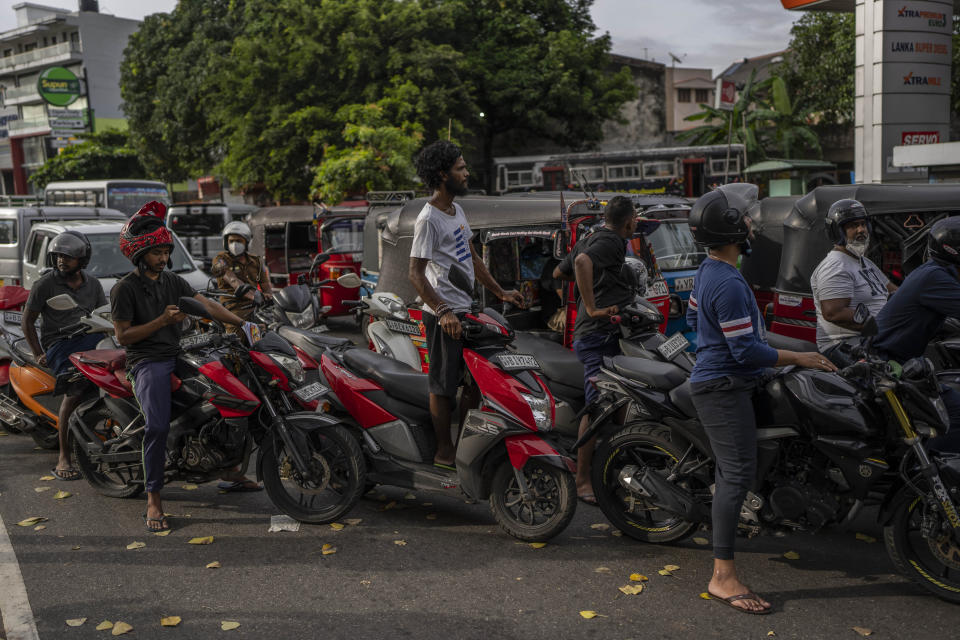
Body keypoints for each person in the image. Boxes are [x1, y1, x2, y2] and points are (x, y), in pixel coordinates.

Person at [686, 186, 836, 614]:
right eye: (746, 219)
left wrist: (795, 352)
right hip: (722, 386)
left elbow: (698, 318)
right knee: (735, 474)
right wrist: (798, 355)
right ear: (733, 231)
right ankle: (722, 576)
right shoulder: (729, 282)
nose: (751, 223)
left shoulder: (710, 269)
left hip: (735, 376)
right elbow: (746, 351)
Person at [111, 201, 253, 533]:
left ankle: (230, 470)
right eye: (157, 252)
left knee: (229, 398)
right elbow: (122, 335)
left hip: (180, 353)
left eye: (166, 251)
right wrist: (162, 320)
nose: (163, 257)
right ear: (140, 254)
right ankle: (154, 500)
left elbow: (205, 304)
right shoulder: (124, 289)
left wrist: (242, 325)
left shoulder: (173, 281)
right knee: (157, 427)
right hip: (146, 362)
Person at [408, 140, 524, 470]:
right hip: (443, 316)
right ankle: (444, 451)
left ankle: (462, 446)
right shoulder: (428, 219)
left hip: (466, 310)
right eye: (460, 168)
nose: (466, 173)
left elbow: (472, 258)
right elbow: (415, 272)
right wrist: (443, 311)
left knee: (474, 382)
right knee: (443, 386)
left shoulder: (456, 211)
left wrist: (500, 292)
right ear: (443, 174)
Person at [552, 197, 637, 505]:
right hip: (598, 336)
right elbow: (580, 263)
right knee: (597, 406)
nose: (636, 224)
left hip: (603, 334)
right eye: (636, 219)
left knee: (616, 402)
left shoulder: (592, 237)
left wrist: (585, 292)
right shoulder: (613, 242)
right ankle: (582, 479)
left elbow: (558, 274)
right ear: (628, 221)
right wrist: (591, 306)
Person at [22, 231, 106, 481]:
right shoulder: (45, 284)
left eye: (68, 257)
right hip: (60, 343)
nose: (61, 261)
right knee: (75, 390)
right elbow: (28, 321)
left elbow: (102, 314)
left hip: (91, 338)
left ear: (82, 259)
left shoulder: (93, 284)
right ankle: (64, 456)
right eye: (58, 256)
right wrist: (38, 353)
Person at [873, 216, 960, 453]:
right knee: (953, 413)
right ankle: (935, 477)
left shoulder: (936, 272)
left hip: (901, 361)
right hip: (889, 364)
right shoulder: (936, 278)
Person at [810, 199, 896, 364]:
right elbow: (834, 313)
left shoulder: (864, 262)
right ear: (837, 231)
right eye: (852, 226)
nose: (861, 230)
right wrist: (879, 325)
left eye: (863, 224)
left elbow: (893, 291)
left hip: (870, 339)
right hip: (845, 345)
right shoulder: (836, 265)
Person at [210, 220, 273, 331]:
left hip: (256, 307)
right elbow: (233, 281)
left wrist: (268, 295)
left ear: (246, 243)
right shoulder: (220, 259)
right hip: (233, 308)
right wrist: (254, 296)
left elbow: (265, 285)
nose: (234, 244)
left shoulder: (256, 261)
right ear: (226, 243)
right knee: (237, 334)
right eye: (231, 241)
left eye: (239, 241)